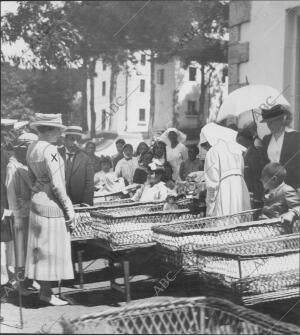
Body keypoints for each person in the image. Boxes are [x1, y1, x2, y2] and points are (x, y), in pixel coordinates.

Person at [26, 113, 74, 305]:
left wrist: (36, 187)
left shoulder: (31, 147)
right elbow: (58, 185)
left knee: (40, 247)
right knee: (51, 248)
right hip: (51, 204)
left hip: (36, 201)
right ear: (49, 129)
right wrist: (69, 208)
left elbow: (31, 177)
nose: (60, 134)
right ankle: (47, 292)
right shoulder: (51, 150)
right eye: (57, 130)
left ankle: (44, 290)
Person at [5, 133, 38, 294]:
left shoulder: (25, 165)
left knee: (29, 249)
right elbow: (10, 193)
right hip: (19, 215)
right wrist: (16, 214)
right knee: (20, 251)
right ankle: (21, 285)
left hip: (29, 213)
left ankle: (28, 280)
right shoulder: (13, 166)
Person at [200, 123, 251, 217]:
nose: (205, 148)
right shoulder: (236, 149)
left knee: (225, 220)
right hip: (240, 188)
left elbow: (212, 185)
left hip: (224, 191)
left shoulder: (213, 152)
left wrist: (210, 208)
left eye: (205, 144)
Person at [261, 104, 300, 192]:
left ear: (282, 119)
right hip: (271, 187)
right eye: (267, 122)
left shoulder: (295, 137)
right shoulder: (266, 139)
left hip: (290, 186)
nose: (270, 125)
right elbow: (263, 162)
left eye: (273, 121)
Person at [59, 126, 94, 206]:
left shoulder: (85, 159)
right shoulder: (56, 154)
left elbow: (89, 184)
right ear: (65, 139)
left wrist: (86, 203)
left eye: (77, 140)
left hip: (78, 203)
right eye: (72, 139)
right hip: (59, 203)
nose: (75, 143)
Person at [261, 162, 300, 231]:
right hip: (266, 226)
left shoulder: (286, 190)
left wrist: (291, 213)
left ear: (274, 179)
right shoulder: (269, 191)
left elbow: (298, 207)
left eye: (263, 178)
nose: (261, 180)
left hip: (279, 228)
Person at [236, 128, 267, 208]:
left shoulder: (255, 154)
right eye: (237, 141)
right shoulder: (243, 154)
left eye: (240, 141)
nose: (238, 143)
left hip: (255, 195)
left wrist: (257, 196)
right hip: (248, 193)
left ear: (248, 140)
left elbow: (257, 176)